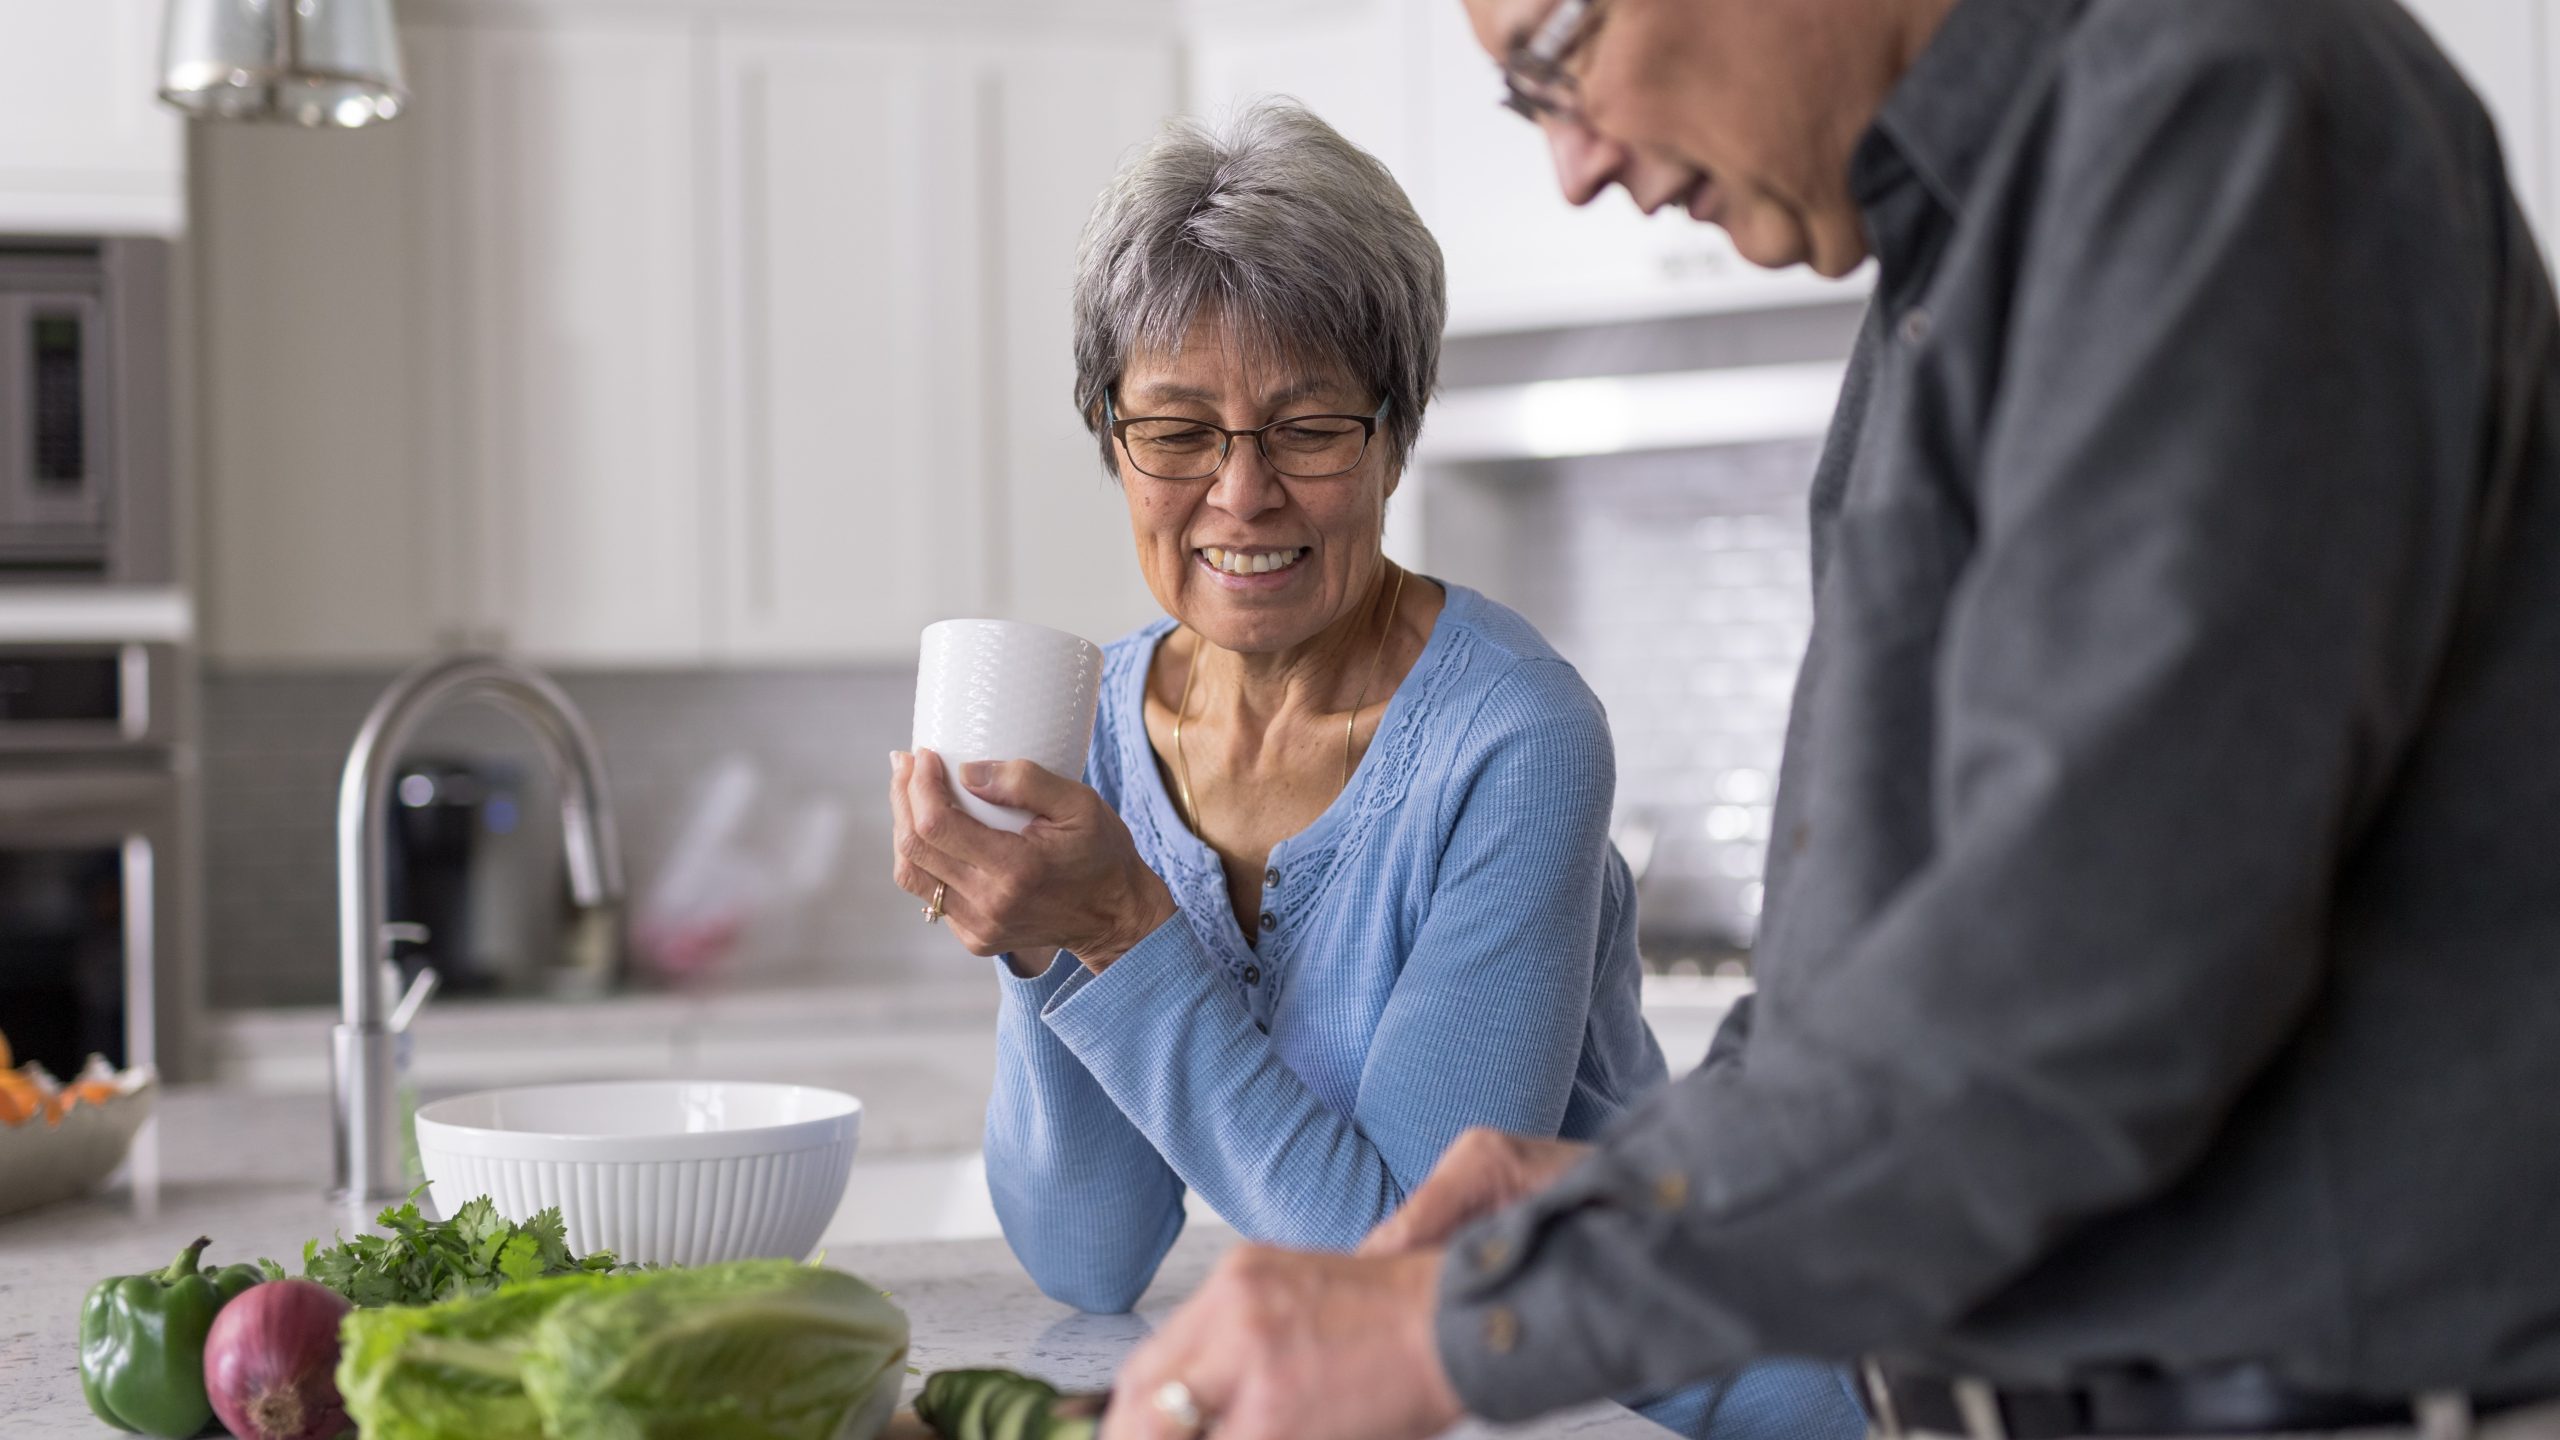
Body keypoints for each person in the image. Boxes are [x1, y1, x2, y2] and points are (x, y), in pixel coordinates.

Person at [1092, 2, 2560, 1440]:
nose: (1577, 166)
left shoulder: (2221, 108)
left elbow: (2084, 964)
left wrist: (1480, 1314)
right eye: (1521, 102)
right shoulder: (1967, 244)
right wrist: (1610, 1201)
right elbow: (1871, 984)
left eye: (1558, 56)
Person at [886, 100, 1865, 1440]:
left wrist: (1118, 924)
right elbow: (1088, 1258)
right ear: (1113, 440)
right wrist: (1039, 930)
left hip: (1681, 1395)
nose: (1241, 496)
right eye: (1177, 431)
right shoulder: (1096, 722)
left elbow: (1411, 1257)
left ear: (1396, 436)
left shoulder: (1513, 738)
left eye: (1306, 429)